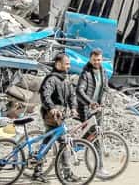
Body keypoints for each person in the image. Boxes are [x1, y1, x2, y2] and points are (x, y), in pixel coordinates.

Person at [36, 53, 77, 183]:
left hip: (60, 115)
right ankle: (66, 173)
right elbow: (45, 94)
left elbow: (72, 96)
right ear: (58, 64)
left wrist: (73, 108)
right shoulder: (51, 79)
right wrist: (51, 107)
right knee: (62, 141)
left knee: (51, 141)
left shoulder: (65, 79)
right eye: (66, 64)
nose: (69, 66)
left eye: (69, 64)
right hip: (51, 115)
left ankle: (38, 170)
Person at [75, 49, 107, 136]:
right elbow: (79, 90)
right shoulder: (86, 73)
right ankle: (80, 143)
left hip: (98, 107)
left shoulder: (103, 71)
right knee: (87, 133)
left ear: (102, 60)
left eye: (98, 60)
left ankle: (95, 145)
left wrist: (103, 101)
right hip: (86, 107)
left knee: (97, 132)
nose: (96, 62)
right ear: (90, 59)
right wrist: (90, 102)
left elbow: (105, 89)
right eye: (94, 60)